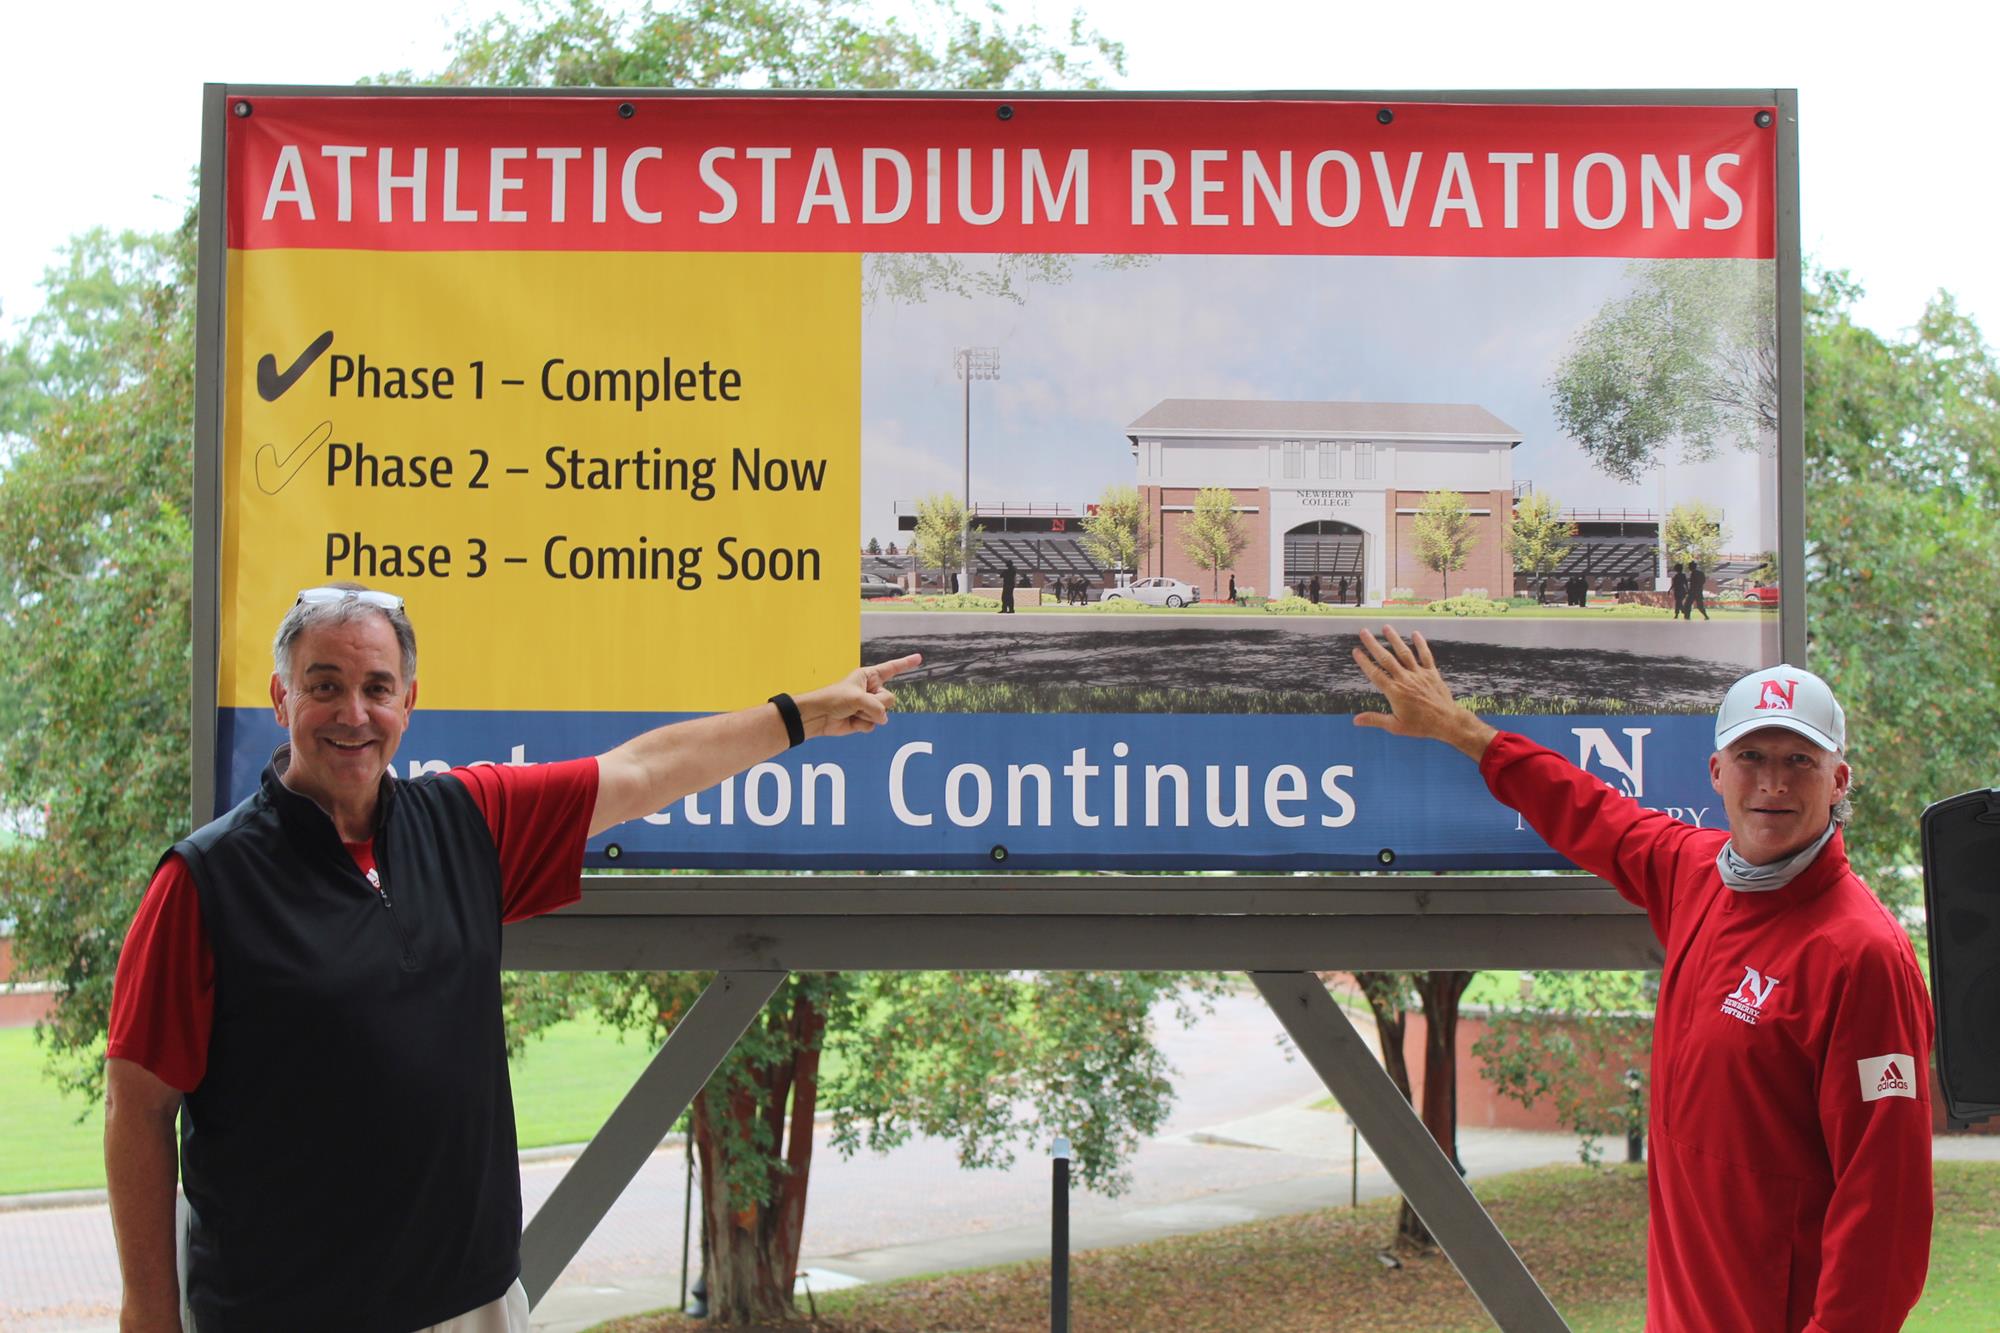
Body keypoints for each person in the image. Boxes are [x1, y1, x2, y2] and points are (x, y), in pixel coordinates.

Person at [103, 585, 921, 1333]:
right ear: (282, 697)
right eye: (324, 685)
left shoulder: (465, 820)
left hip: (476, 1305)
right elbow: (136, 1111)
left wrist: (805, 715)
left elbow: (642, 771)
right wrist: (148, 1313)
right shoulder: (204, 882)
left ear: (408, 703)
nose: (352, 712)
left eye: (376, 688)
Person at [1351, 627, 1933, 1333]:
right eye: (1752, 756)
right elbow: (1590, 811)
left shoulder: (1863, 954)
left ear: (1839, 780)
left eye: (1800, 760)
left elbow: (1886, 1216)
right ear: (1716, 771)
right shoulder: (1696, 873)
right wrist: (1459, 728)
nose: (1773, 781)